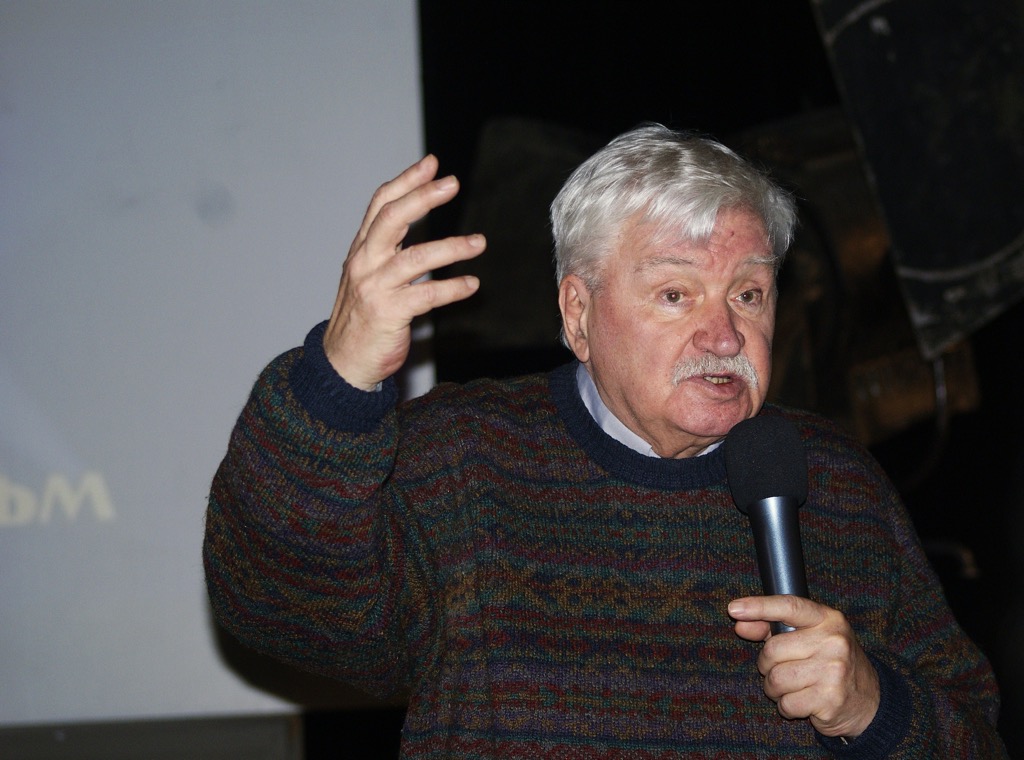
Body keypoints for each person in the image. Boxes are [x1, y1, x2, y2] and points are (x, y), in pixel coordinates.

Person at [204, 124, 1007, 757]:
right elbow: (276, 603)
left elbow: (974, 734)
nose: (725, 335)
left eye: (749, 294)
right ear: (578, 314)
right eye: (675, 293)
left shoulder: (835, 482)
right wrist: (338, 379)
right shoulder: (464, 458)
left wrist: (872, 706)